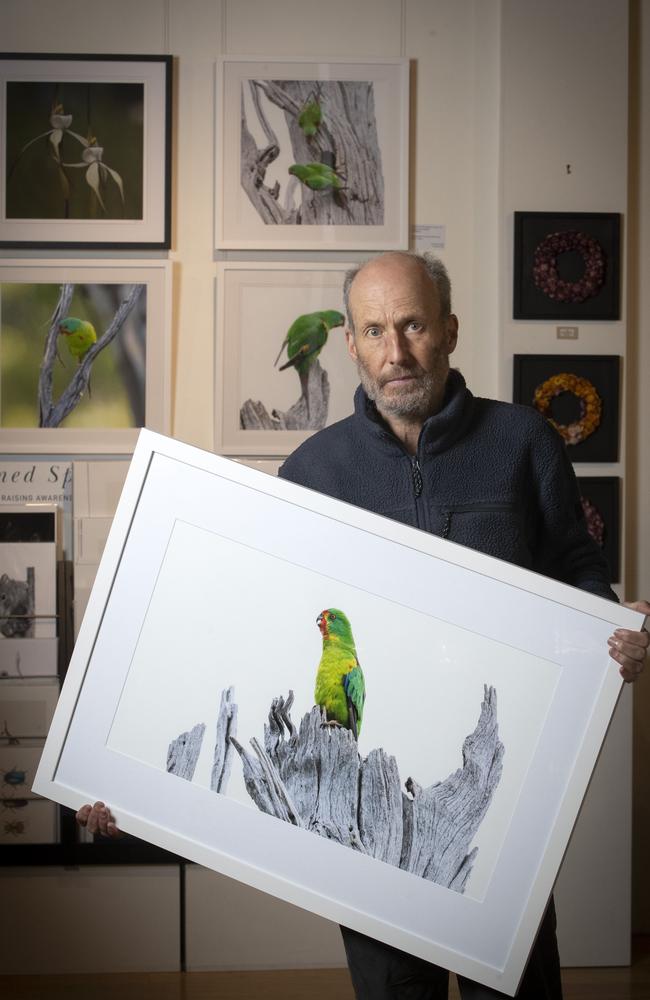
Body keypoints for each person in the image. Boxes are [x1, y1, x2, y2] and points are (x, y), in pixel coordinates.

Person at [78, 251, 649, 998]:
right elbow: (256, 639)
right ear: (349, 343)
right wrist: (137, 784)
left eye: (412, 325)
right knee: (393, 991)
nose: (396, 353)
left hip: (495, 782)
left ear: (447, 329)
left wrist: (613, 631)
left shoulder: (523, 442)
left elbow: (574, 564)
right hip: (365, 793)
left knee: (515, 988)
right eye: (375, 330)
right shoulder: (313, 472)